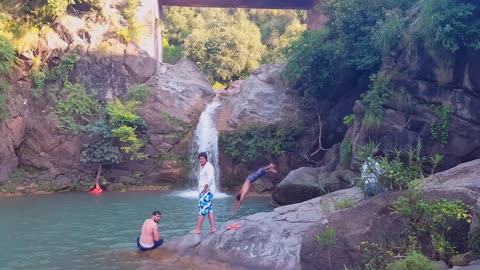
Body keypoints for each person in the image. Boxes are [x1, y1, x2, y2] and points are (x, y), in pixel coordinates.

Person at [190, 152, 217, 234]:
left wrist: (205, 188)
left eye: (203, 158)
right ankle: (213, 228)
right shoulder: (203, 166)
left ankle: (198, 229)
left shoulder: (209, 167)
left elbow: (210, 178)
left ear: (206, 159)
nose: (201, 160)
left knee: (202, 210)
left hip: (207, 192)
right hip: (206, 191)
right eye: (200, 159)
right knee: (209, 210)